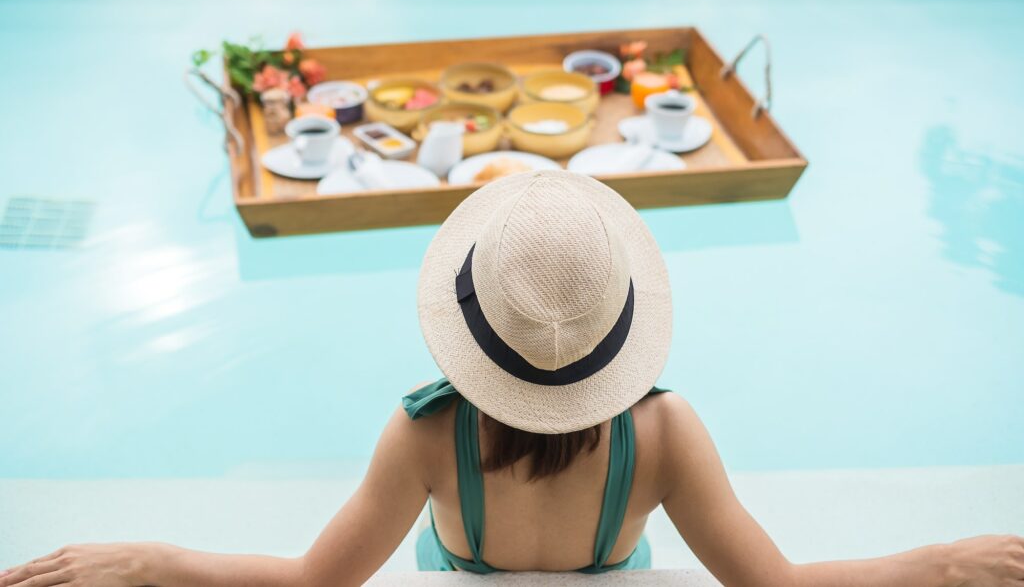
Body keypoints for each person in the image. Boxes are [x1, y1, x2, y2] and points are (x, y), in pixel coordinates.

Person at [2, 171, 1021, 587]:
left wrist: (151, 559)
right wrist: (942, 560)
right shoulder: (664, 437)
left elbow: (315, 584)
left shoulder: (425, 436)